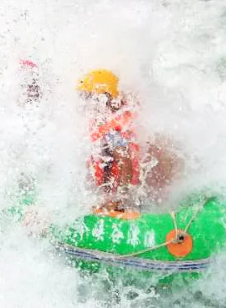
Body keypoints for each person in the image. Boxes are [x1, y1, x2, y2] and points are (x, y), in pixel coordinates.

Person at [77, 69, 182, 213]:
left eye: (88, 98)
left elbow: (124, 160)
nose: (85, 104)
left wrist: (119, 198)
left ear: (105, 99)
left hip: (126, 195)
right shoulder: (107, 121)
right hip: (122, 190)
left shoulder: (112, 131)